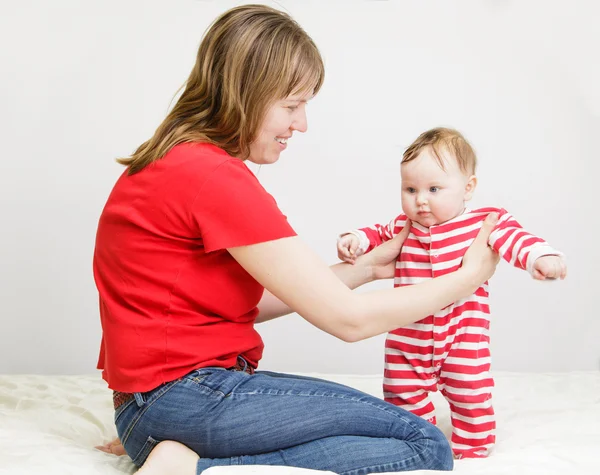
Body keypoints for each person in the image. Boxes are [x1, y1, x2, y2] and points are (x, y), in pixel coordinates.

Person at [93, 5, 500, 474]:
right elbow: (349, 323)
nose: (301, 123)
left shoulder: (168, 161)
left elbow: (243, 304)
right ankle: (196, 467)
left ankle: (174, 451)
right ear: (247, 93)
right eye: (291, 105)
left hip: (145, 408)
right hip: (189, 397)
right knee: (424, 444)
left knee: (379, 432)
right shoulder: (214, 177)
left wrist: (367, 268)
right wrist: (468, 278)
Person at [337, 127, 567, 459]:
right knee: (401, 393)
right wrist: (355, 240)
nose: (421, 200)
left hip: (462, 335)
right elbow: (375, 234)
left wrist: (540, 257)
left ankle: (473, 448)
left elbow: (517, 239)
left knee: (470, 392)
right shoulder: (405, 225)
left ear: (467, 188)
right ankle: (420, 439)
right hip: (408, 336)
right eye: (410, 189)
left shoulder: (482, 223)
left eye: (434, 189)